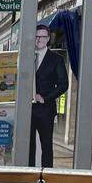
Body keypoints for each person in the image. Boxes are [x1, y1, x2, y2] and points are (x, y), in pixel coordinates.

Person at [30, 24, 70, 168]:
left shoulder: (56, 59)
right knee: (28, 145)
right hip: (27, 108)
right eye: (36, 36)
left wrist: (45, 98)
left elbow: (64, 84)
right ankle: (28, 174)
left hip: (45, 109)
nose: (39, 39)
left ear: (48, 39)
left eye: (42, 36)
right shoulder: (26, 57)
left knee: (46, 145)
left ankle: (47, 174)